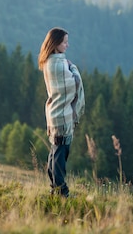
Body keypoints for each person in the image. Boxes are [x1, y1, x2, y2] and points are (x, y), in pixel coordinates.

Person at [38, 27, 85, 197]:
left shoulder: (49, 61)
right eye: (64, 42)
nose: (67, 45)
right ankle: (60, 190)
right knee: (60, 153)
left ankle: (55, 187)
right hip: (61, 115)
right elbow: (74, 83)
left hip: (55, 113)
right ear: (56, 43)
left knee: (56, 150)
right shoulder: (57, 64)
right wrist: (74, 68)